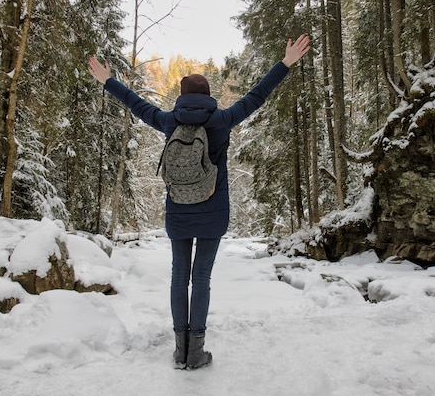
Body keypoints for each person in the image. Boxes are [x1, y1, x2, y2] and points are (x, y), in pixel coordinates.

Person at [88, 34, 310, 370]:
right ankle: (197, 352)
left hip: (178, 211)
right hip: (213, 211)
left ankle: (180, 351)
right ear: (208, 97)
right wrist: (286, 62)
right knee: (201, 278)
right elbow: (257, 96)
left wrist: (108, 81)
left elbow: (136, 104)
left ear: (182, 97)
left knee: (180, 277)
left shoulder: (168, 120)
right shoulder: (221, 120)